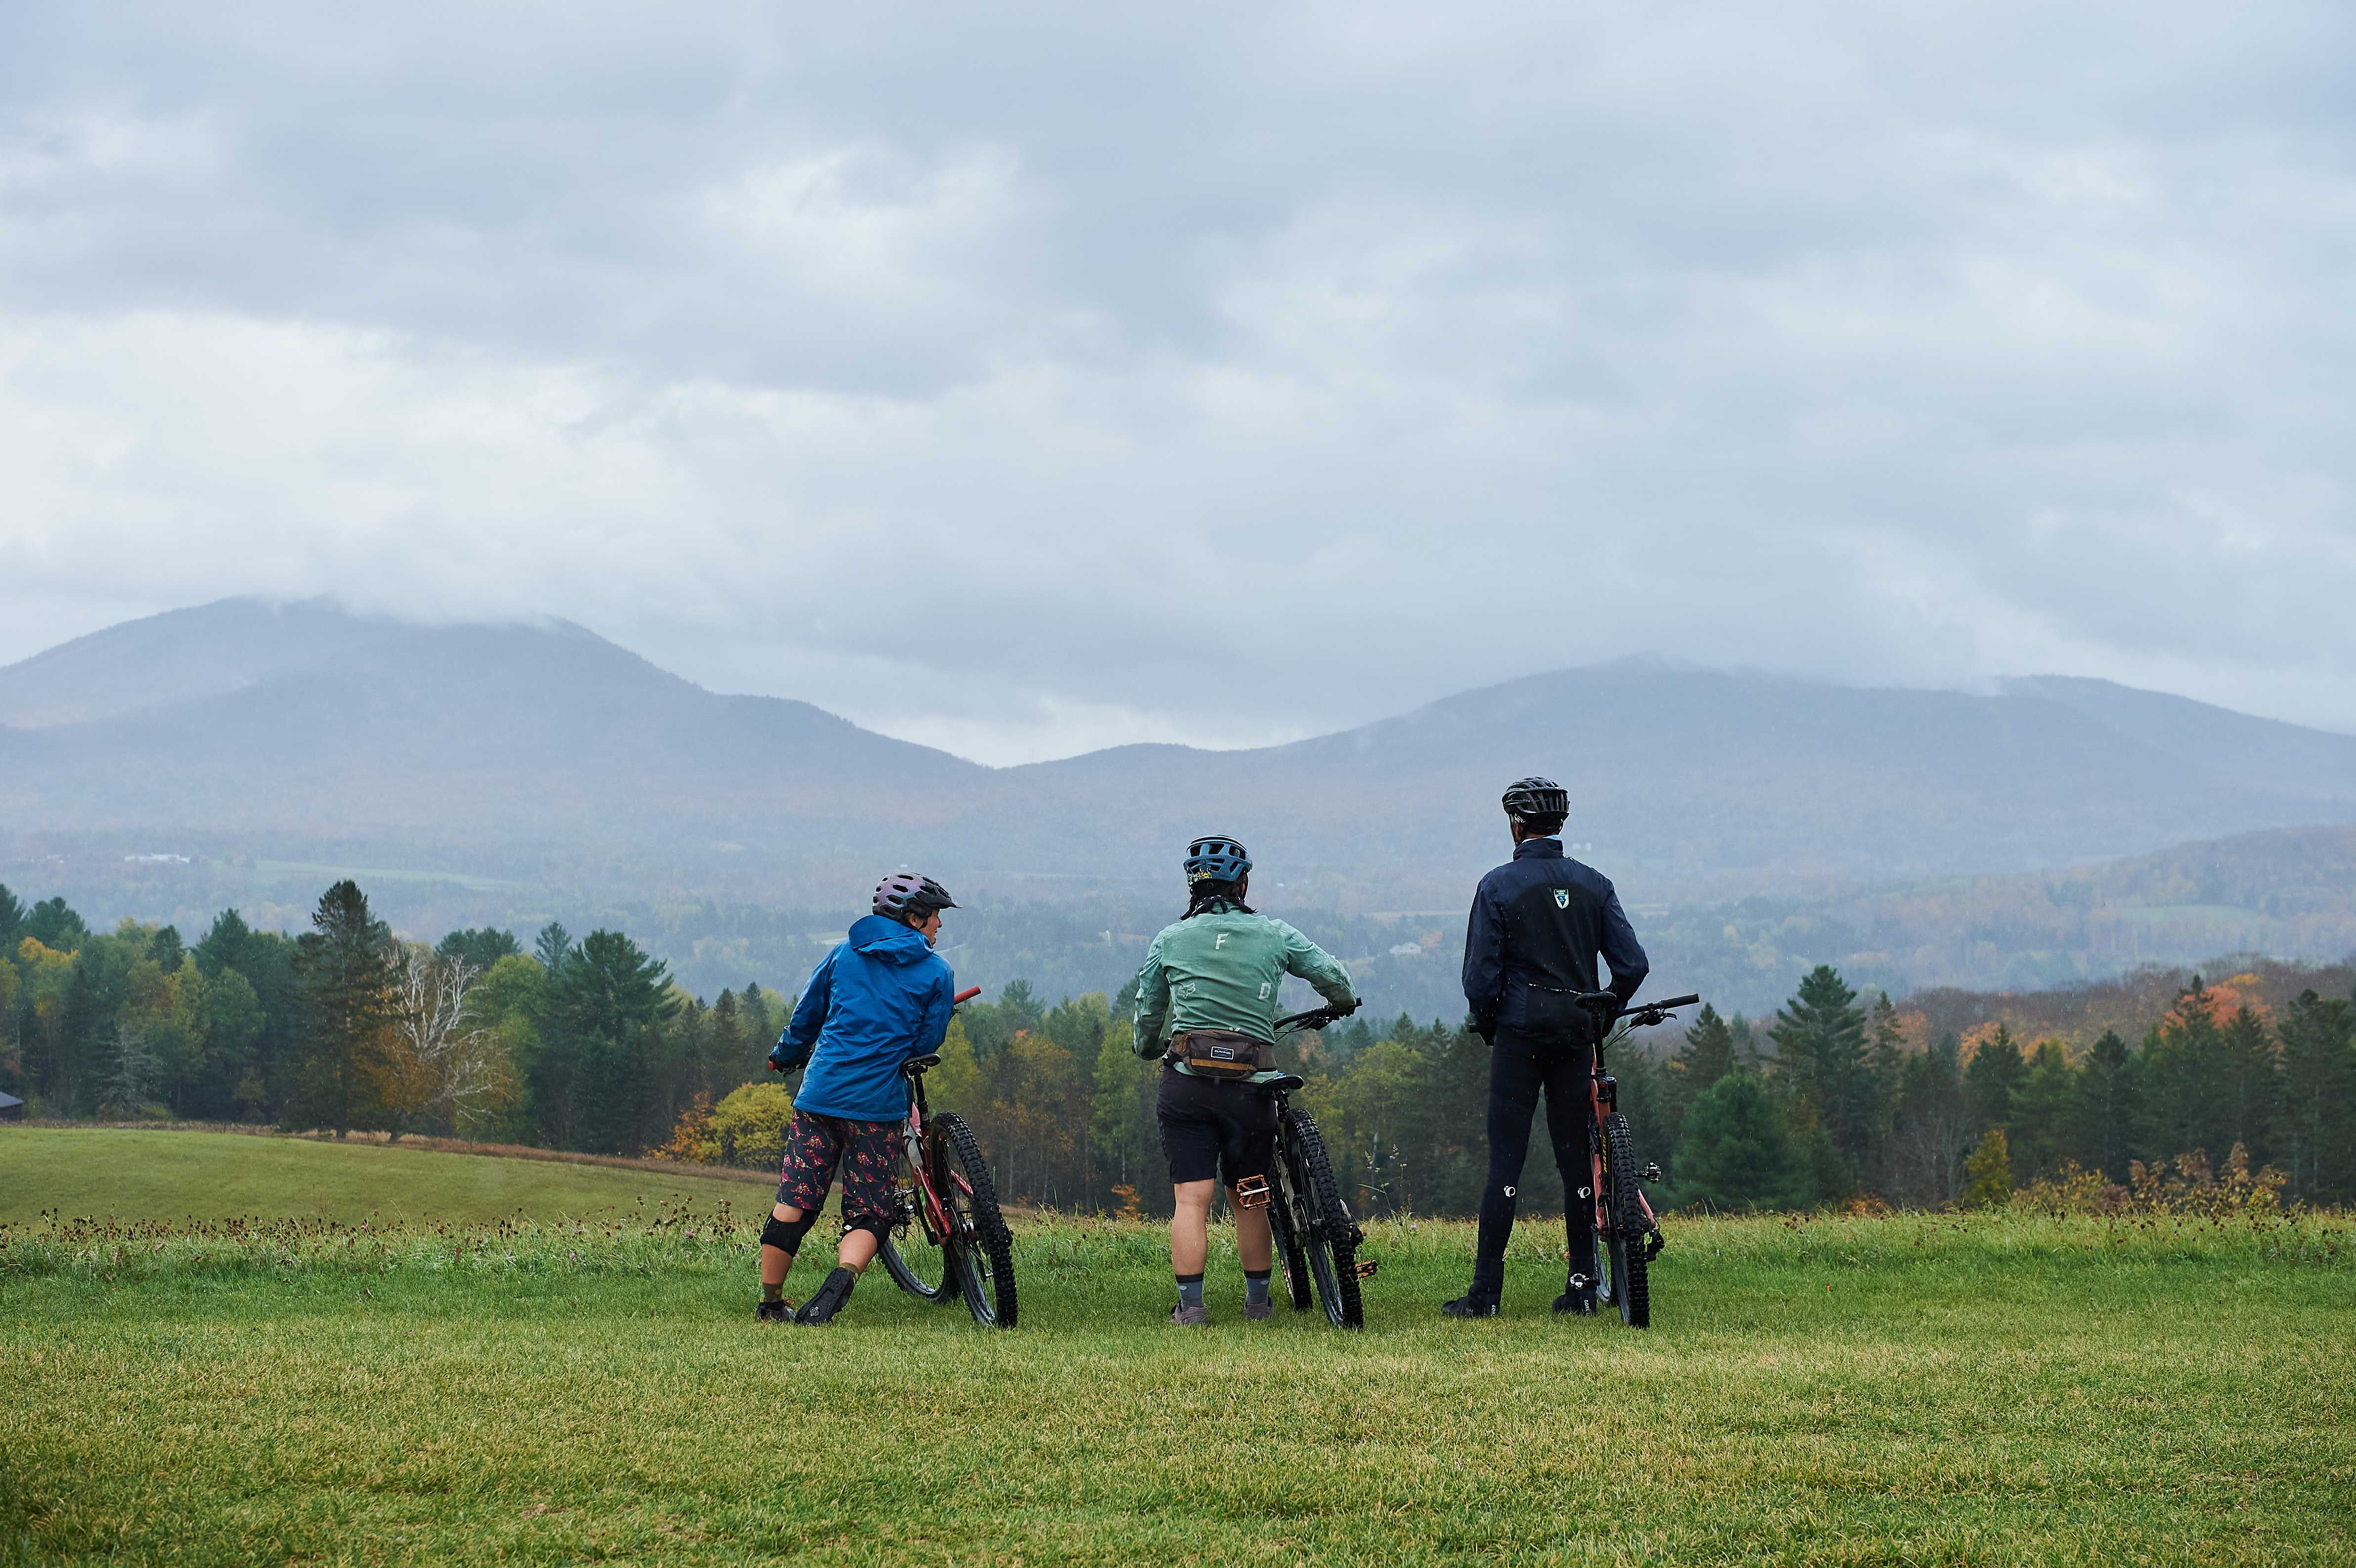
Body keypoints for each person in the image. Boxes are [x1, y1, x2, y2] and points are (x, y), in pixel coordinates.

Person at [1131, 835, 1358, 1326]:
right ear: (1244, 884)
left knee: (1191, 1198)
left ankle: (1191, 1308)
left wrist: (1149, 1048)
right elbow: (1335, 978)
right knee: (1251, 1192)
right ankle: (1258, 1304)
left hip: (1187, 1083)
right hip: (1250, 1086)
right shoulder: (1274, 933)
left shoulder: (1170, 938)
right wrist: (1341, 1003)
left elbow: (1148, 1014)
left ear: (1193, 887)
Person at [1447, 777, 1649, 1318]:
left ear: (1515, 824)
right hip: (1577, 1032)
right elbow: (1633, 965)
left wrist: (1489, 1021)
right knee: (1575, 1163)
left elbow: (1479, 979)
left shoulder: (1497, 885)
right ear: (1561, 823)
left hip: (1520, 1033)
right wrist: (1606, 1005)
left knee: (1506, 1162)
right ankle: (1583, 1286)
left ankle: (1487, 1292)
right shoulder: (1595, 883)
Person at [757, 872, 959, 1325]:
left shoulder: (842, 955)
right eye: (935, 916)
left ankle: (771, 1302)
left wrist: (783, 1056)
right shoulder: (937, 972)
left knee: (795, 1199)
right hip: (877, 1106)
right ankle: (837, 1285)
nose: (939, 926)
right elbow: (926, 1043)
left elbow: (806, 1019)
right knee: (870, 1210)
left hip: (819, 1098)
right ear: (913, 918)